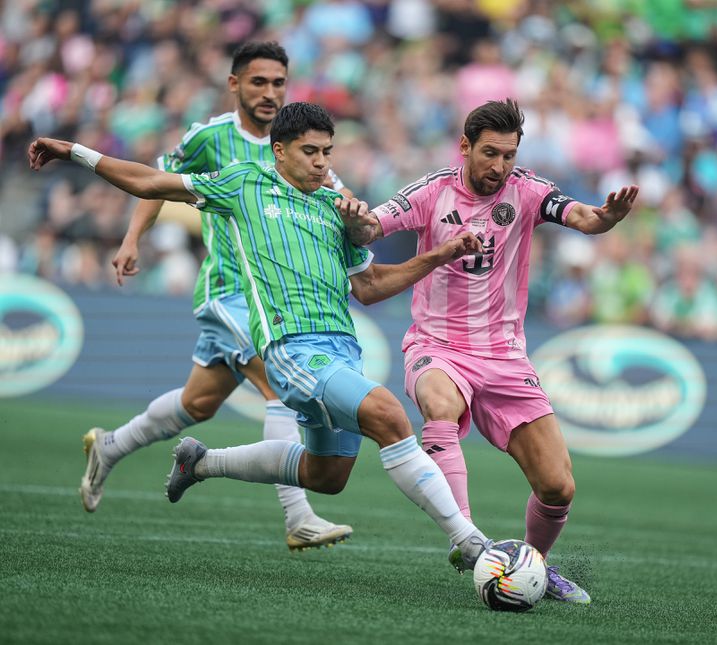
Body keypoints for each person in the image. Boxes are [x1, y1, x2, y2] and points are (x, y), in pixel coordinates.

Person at [29, 101, 493, 574]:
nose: (321, 163)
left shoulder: (332, 208)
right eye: (310, 151)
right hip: (293, 349)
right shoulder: (244, 183)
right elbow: (150, 182)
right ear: (280, 150)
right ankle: (471, 541)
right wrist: (74, 152)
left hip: (342, 351)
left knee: (327, 475)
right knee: (389, 415)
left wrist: (439, 255)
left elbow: (370, 287)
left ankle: (201, 464)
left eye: (327, 152)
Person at [338, 98, 639, 604]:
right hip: (438, 344)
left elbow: (581, 215)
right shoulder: (431, 191)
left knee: (558, 486)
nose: (500, 166)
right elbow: (371, 227)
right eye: (490, 153)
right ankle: (467, 538)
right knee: (439, 404)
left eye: (509, 155)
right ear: (465, 146)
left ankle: (533, 567)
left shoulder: (527, 190)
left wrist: (605, 219)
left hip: (504, 355)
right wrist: (353, 220)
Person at [80, 42, 350, 551]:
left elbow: (338, 197)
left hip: (275, 300)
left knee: (197, 403)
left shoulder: (301, 145)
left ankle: (110, 446)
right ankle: (298, 517)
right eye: (258, 82)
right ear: (235, 84)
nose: (269, 92)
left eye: (278, 83)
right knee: (280, 384)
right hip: (229, 291)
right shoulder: (211, 137)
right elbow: (156, 182)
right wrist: (132, 238)